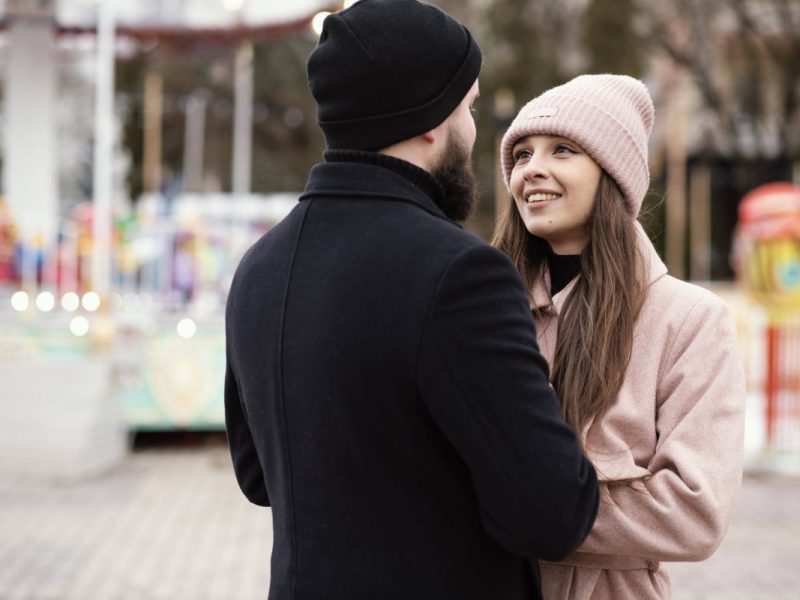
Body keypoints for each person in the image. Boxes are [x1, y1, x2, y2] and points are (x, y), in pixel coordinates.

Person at [224, 1, 599, 598]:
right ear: (432, 118)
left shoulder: (257, 269)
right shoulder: (461, 274)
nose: (475, 130)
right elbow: (551, 512)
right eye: (470, 107)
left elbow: (256, 474)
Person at [494, 74, 746, 599]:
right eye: (521, 155)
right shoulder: (484, 309)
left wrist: (533, 506)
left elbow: (695, 512)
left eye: (562, 149)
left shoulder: (688, 319)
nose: (532, 168)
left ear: (613, 174)